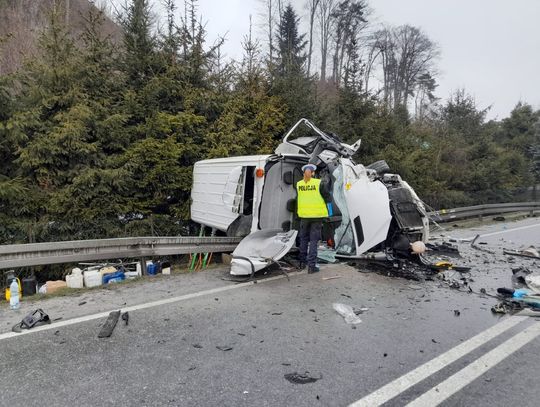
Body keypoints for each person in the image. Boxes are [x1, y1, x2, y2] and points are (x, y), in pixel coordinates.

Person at [296, 163, 331, 273]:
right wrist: (329, 211)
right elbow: (327, 198)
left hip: (304, 216)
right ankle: (311, 266)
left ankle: (302, 263)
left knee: (303, 239)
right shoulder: (319, 183)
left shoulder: (299, 184)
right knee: (314, 241)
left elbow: (299, 198)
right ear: (313, 173)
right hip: (317, 216)